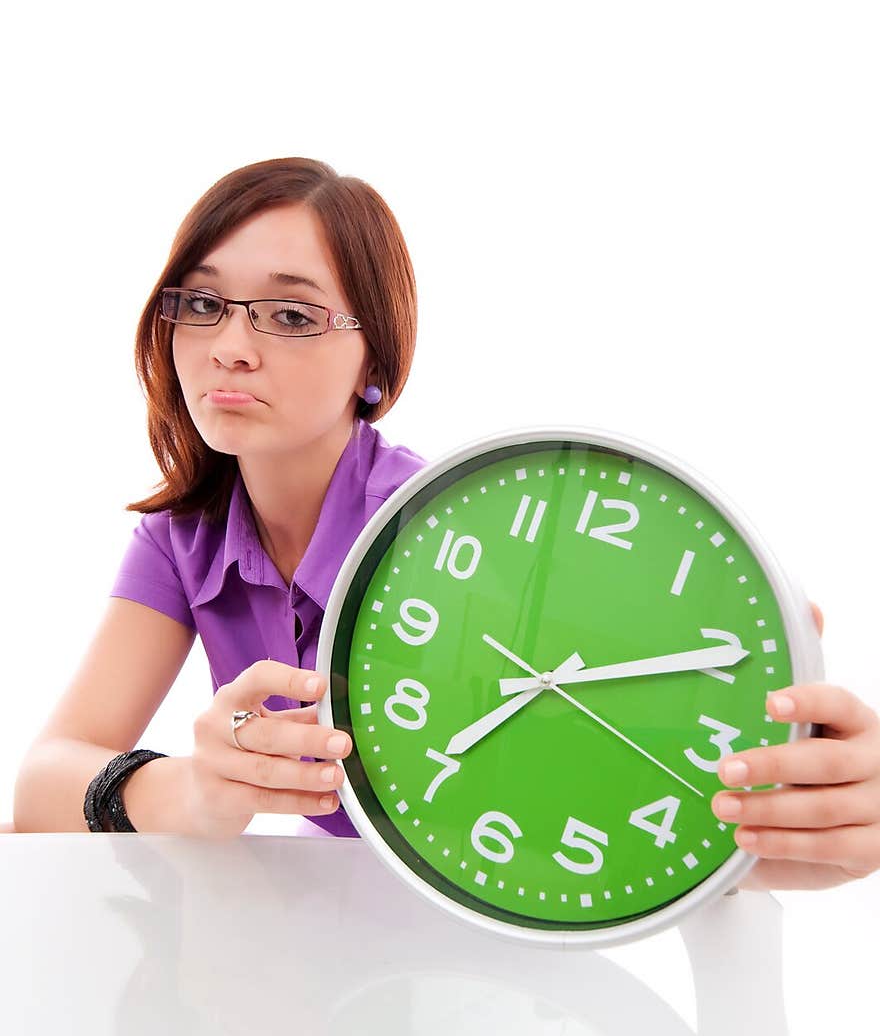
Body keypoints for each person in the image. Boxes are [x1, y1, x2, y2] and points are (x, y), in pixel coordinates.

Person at [12, 157, 880, 892]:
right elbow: (39, 787)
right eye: (201, 303)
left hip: (479, 961)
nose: (230, 346)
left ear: (375, 366)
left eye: (291, 316)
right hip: (325, 951)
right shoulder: (184, 539)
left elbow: (601, 773)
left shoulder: (463, 539)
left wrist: (799, 828)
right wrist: (192, 792)